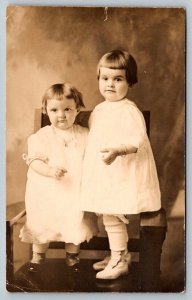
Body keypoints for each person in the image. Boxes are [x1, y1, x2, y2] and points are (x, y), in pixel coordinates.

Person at [80, 49, 161, 280]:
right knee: (108, 215)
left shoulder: (128, 110)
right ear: (98, 79)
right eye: (105, 78)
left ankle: (119, 259)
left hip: (122, 173)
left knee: (112, 216)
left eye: (118, 79)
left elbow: (137, 141)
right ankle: (120, 254)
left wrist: (117, 150)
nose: (110, 85)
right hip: (105, 174)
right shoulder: (100, 110)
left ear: (130, 81)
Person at [20, 83, 98, 272]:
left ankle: (72, 258)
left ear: (77, 109)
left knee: (74, 223)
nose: (61, 115)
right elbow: (34, 162)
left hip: (74, 192)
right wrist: (49, 171)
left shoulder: (85, 135)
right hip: (48, 193)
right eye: (54, 109)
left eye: (67, 109)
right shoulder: (41, 137)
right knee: (42, 223)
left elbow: (94, 158)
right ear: (46, 110)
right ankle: (38, 257)